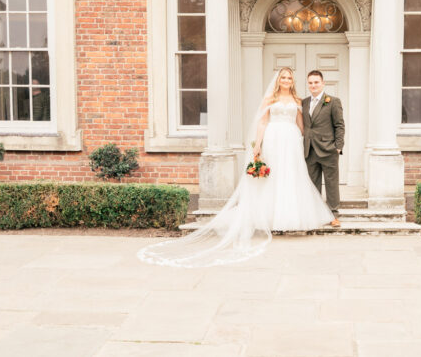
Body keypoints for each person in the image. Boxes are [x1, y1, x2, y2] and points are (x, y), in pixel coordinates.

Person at [138, 67, 335, 268]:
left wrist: (306, 141)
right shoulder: (270, 99)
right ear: (278, 80)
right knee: (274, 177)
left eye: (289, 78)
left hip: (291, 140)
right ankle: (271, 219)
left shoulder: (297, 100)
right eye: (283, 77)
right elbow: (262, 123)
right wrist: (258, 145)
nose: (286, 80)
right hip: (274, 139)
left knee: (291, 176)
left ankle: (291, 218)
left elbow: (301, 124)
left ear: (293, 80)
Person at [302, 70, 344, 227]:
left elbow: (339, 125)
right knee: (313, 184)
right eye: (310, 83)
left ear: (323, 83)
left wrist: (338, 147)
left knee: (331, 183)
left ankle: (333, 214)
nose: (313, 85)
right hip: (310, 150)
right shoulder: (304, 102)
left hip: (328, 149)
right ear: (308, 84)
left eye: (316, 82)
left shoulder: (333, 101)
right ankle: (315, 213)